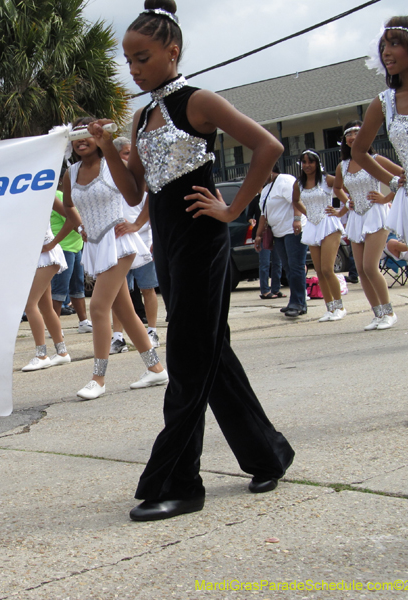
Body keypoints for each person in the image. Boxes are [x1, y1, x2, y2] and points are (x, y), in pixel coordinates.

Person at [89, 0, 294, 521]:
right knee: (210, 355)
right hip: (170, 247)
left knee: (185, 358)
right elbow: (136, 193)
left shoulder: (196, 101)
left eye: (142, 57)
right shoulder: (142, 117)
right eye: (128, 60)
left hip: (204, 245)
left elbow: (267, 146)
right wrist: (108, 147)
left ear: (172, 51)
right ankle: (267, 454)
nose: (133, 68)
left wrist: (232, 209)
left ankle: (180, 482)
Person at [352, 17, 408, 426]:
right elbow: (361, 152)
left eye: (393, 44)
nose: (384, 52)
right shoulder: (382, 103)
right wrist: (394, 179)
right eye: (382, 45)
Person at [62, 116, 168, 401]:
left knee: (97, 308)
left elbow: (146, 194)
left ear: (98, 137)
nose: (82, 140)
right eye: (76, 136)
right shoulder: (70, 173)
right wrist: (81, 225)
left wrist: (136, 225)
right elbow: (69, 205)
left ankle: (98, 378)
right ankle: (156, 368)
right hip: (95, 246)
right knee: (124, 312)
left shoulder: (111, 165)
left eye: (87, 134)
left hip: (119, 242)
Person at [333, 121, 403, 330]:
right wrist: (347, 203)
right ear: (345, 140)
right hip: (356, 217)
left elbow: (402, 176)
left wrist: (386, 197)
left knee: (371, 266)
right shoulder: (342, 166)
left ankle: (389, 312)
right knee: (362, 270)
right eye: (349, 134)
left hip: (376, 214)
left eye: (357, 132)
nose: (353, 136)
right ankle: (378, 313)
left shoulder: (375, 159)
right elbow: (337, 188)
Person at [110, 137, 162, 351]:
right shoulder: (108, 181)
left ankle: (152, 331)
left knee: (147, 290)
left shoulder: (139, 180)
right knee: (117, 294)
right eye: (125, 153)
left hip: (142, 244)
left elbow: (153, 204)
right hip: (117, 248)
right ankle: (118, 337)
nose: (130, 158)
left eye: (132, 153)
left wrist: (137, 225)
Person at [21, 196, 80, 372]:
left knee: (30, 305)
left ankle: (41, 355)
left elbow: (74, 219)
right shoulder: (17, 192)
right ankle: (62, 353)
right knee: (45, 306)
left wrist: (53, 243)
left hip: (46, 255)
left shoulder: (45, 191)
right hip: (35, 256)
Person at [293, 149, 345, 322]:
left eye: (311, 162)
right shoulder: (299, 183)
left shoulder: (327, 180)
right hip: (312, 225)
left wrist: (340, 211)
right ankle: (330, 308)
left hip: (329, 224)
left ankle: (340, 306)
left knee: (327, 269)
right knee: (319, 272)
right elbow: (295, 200)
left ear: (317, 163)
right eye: (304, 162)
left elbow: (346, 193)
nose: (307, 165)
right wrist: (307, 212)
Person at [255, 166, 304, 317]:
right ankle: (294, 301)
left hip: (292, 230)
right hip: (278, 233)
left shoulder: (285, 180)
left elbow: (296, 201)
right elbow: (263, 215)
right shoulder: (266, 190)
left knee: (296, 267)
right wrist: (258, 236)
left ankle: (299, 303)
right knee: (288, 268)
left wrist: (297, 219)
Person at [50, 186, 91, 333]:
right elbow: (71, 220)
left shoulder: (64, 195)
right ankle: (54, 327)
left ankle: (83, 322)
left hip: (75, 247)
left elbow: (76, 220)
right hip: (63, 248)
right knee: (59, 290)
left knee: (77, 287)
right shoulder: (57, 195)